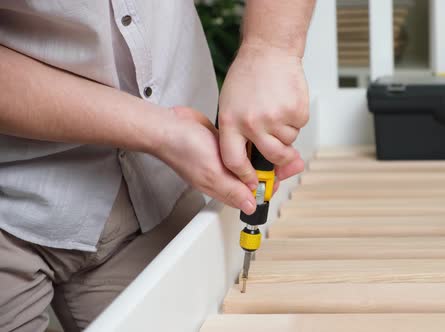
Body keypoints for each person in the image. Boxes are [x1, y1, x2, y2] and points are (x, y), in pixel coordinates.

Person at [0, 1, 314, 331]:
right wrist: (164, 133)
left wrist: (269, 49)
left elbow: (273, 43)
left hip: (157, 194)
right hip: (11, 205)